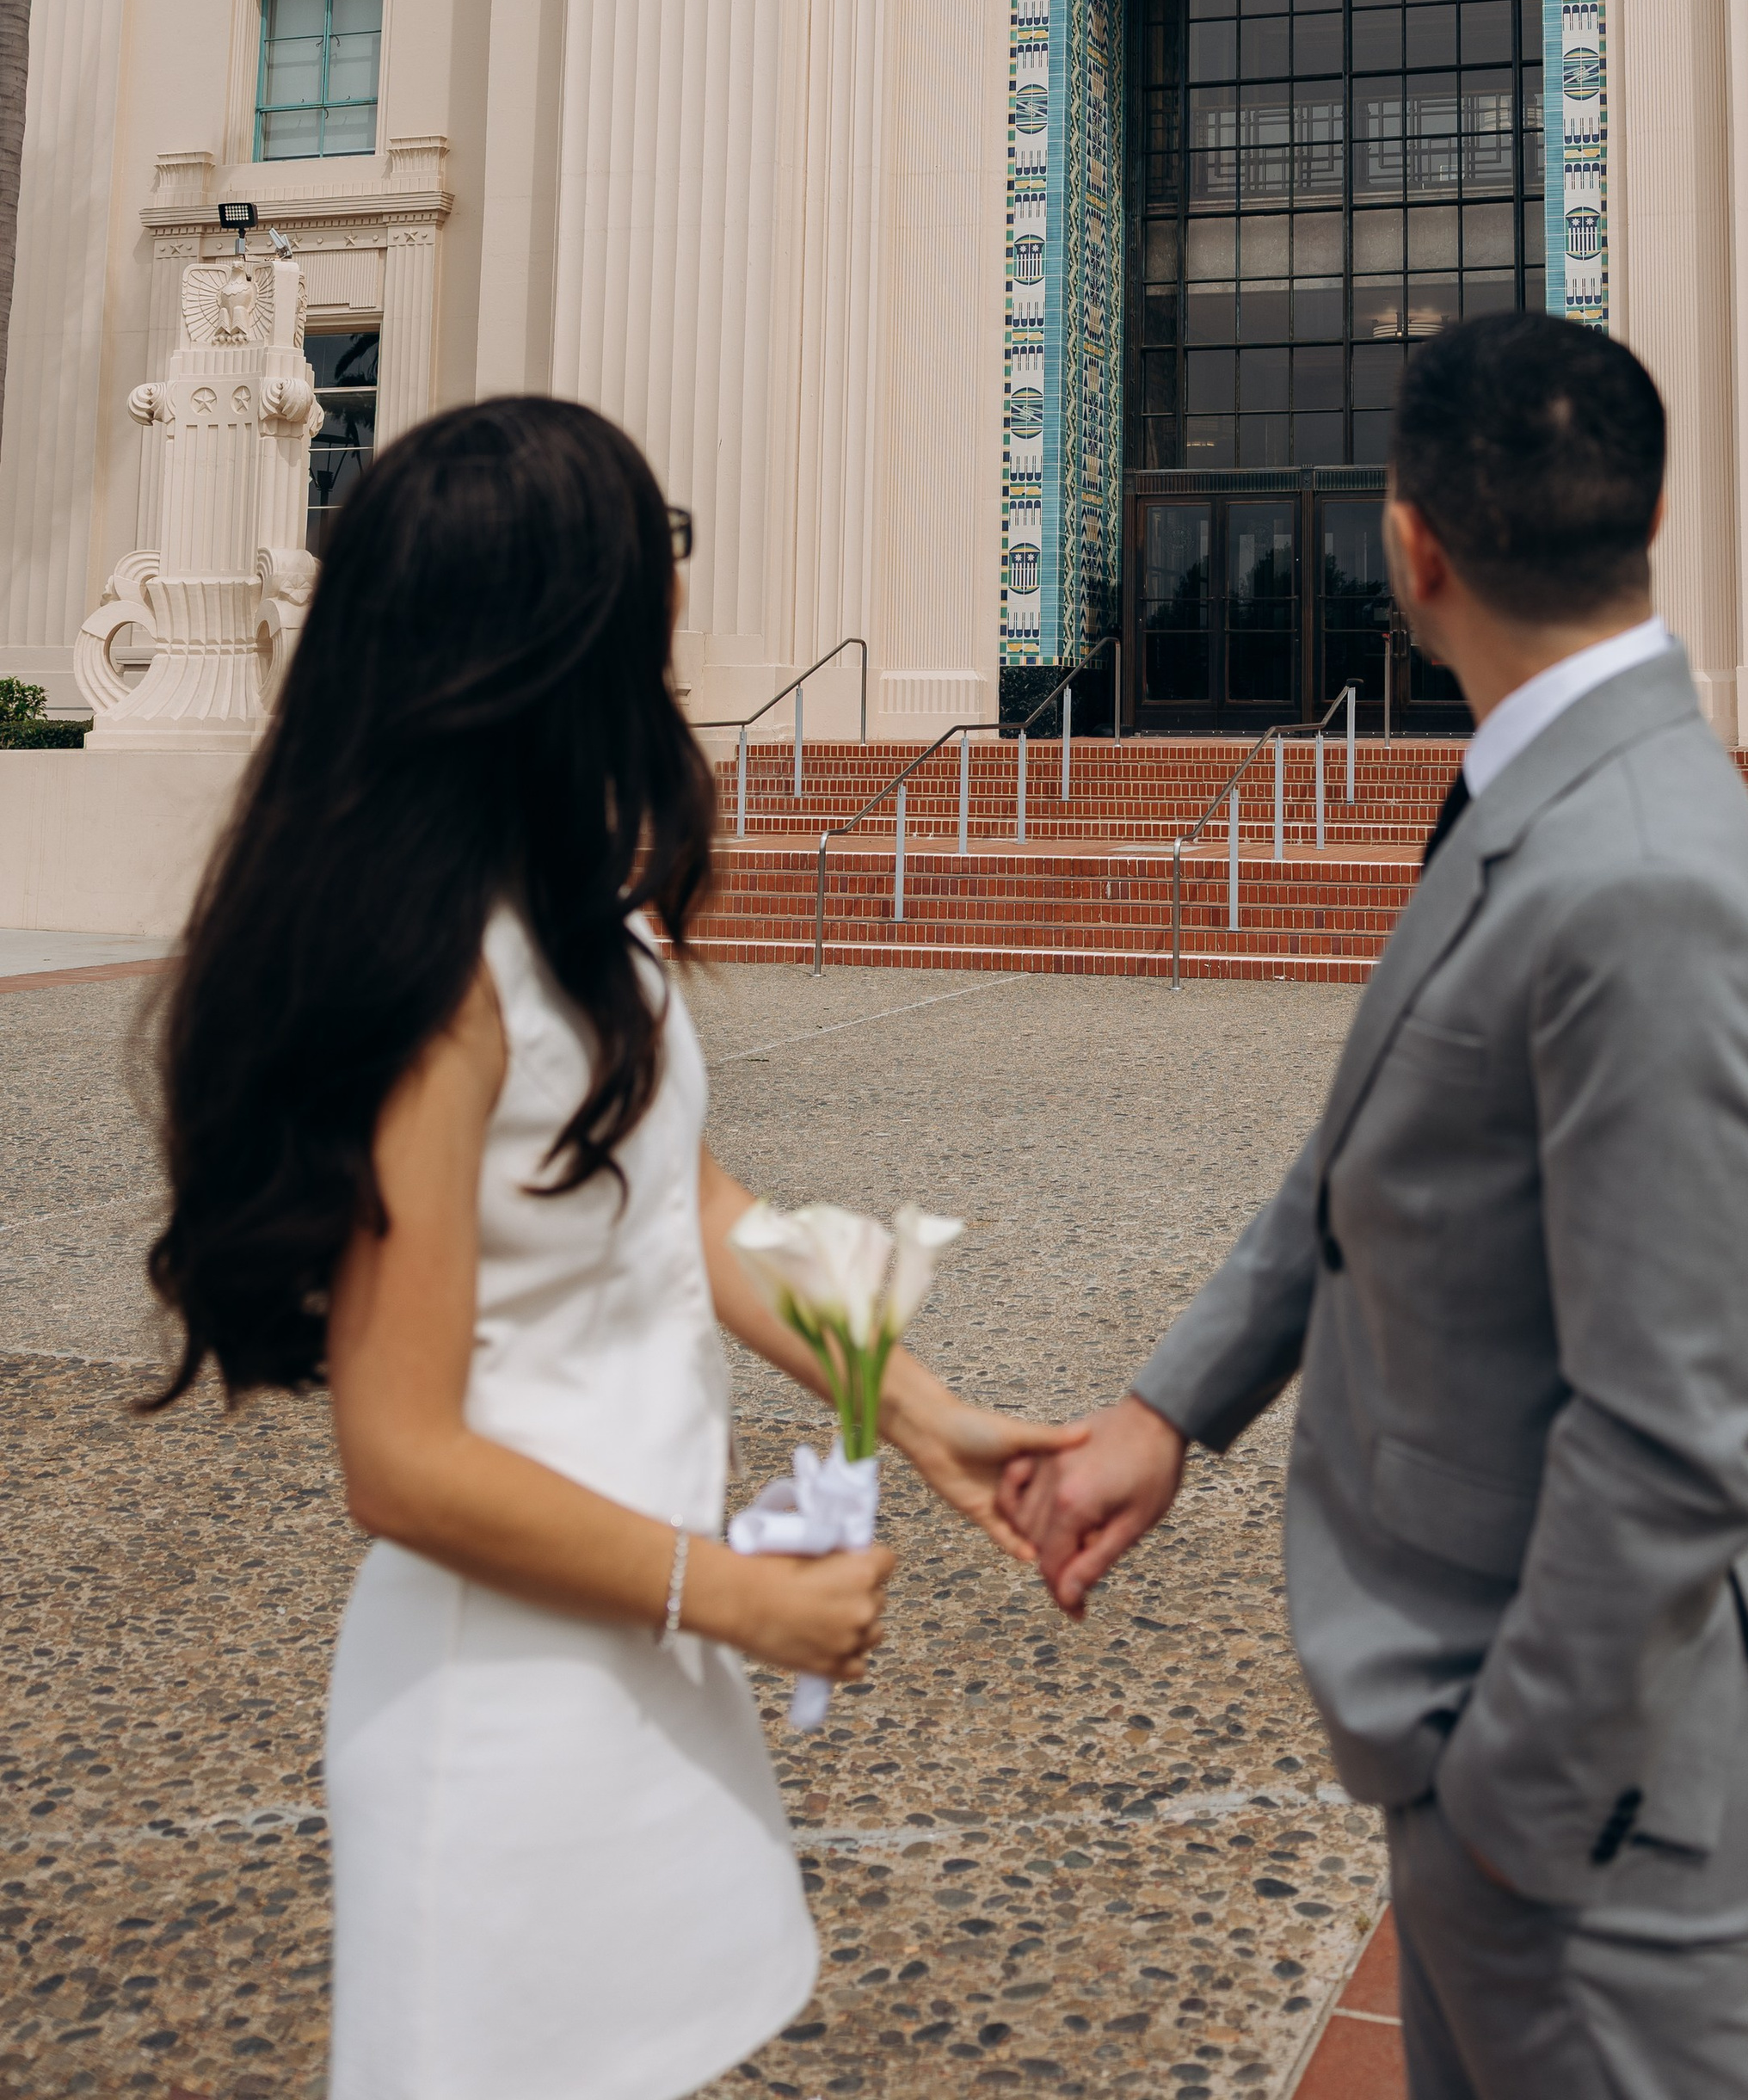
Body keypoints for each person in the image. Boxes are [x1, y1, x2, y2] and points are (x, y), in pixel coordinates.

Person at [143, 396, 1075, 2100]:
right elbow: (398, 1459)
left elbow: (689, 1205)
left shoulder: (582, 896)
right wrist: (732, 1598)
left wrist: (922, 1413)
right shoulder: (436, 978)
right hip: (506, 1708)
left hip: (640, 1658)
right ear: (559, 631)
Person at [1009, 311, 1748, 2100]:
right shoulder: (1540, 789)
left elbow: (1674, 1437)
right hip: (1481, 1756)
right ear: (1651, 506)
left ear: (1409, 543)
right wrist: (1167, 1410)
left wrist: (1502, 1798)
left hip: (1566, 1802)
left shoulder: (1640, 876)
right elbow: (1365, 1158)